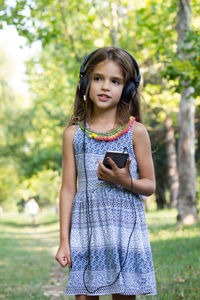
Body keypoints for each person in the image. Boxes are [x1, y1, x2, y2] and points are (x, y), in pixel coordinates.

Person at [55, 47, 157, 299]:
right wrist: (64, 240)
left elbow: (150, 185)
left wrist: (125, 181)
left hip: (124, 233)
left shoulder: (137, 132)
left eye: (115, 81)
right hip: (86, 232)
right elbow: (68, 189)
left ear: (128, 89)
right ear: (85, 83)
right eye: (98, 78)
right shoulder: (73, 135)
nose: (104, 86)